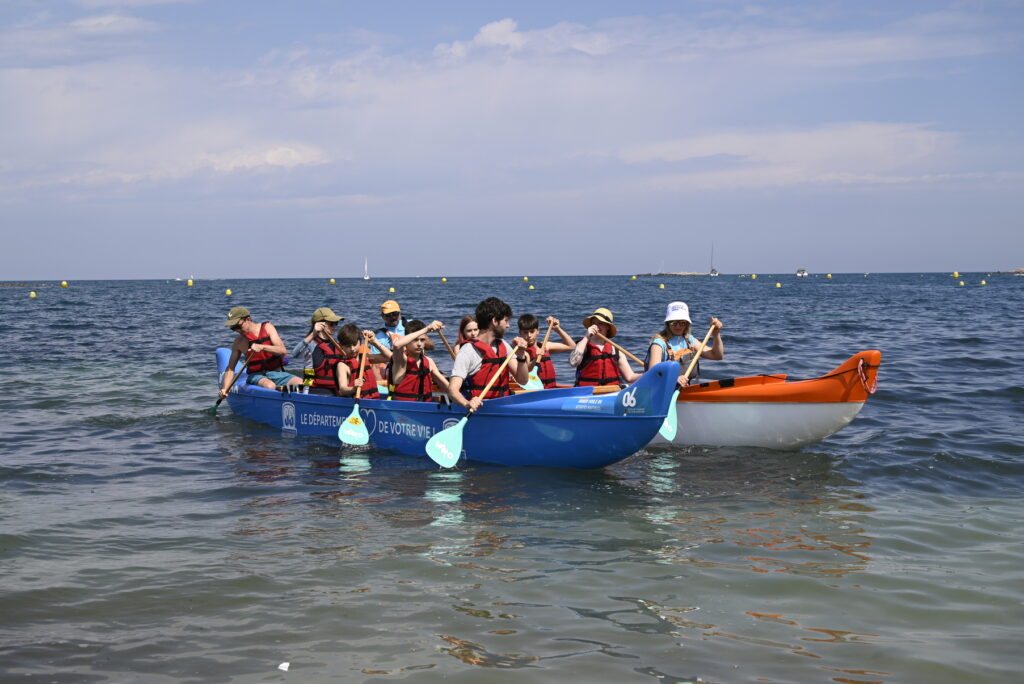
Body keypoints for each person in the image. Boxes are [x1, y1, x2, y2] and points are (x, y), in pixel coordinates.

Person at [447, 297, 530, 413]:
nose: (508, 325)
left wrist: (521, 356)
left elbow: (523, 380)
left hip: (502, 408)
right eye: (506, 320)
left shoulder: (503, 345)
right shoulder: (468, 351)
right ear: (495, 321)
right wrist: (467, 403)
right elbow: (452, 390)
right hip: (479, 411)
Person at [219, 306, 302, 398]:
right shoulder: (238, 342)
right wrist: (225, 389)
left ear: (248, 319)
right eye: (233, 328)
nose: (236, 330)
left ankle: (282, 392)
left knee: (302, 384)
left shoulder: (267, 327)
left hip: (276, 373)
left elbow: (282, 350)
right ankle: (277, 392)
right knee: (270, 386)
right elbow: (230, 368)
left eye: (238, 326)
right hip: (256, 376)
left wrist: (262, 347)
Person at [646, 301, 724, 387]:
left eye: (682, 323)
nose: (678, 326)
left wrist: (716, 334)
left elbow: (717, 355)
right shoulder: (658, 344)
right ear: (667, 324)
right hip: (661, 388)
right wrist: (674, 378)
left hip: (684, 389)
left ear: (687, 324)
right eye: (673, 323)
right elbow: (653, 373)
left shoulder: (689, 340)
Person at [569, 307, 642, 387]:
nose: (596, 326)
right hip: (588, 392)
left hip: (611, 391)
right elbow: (573, 362)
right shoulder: (583, 345)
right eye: (593, 323)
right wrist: (586, 337)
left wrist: (648, 374)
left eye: (600, 323)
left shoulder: (616, 350)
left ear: (608, 327)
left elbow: (630, 377)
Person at [388, 319, 451, 402]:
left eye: (422, 340)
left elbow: (447, 386)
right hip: (403, 407)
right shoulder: (401, 359)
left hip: (426, 406)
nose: (419, 344)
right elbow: (396, 345)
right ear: (407, 340)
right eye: (415, 340)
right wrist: (426, 329)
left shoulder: (429, 362)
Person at [290, 307, 344, 395]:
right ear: (320, 324)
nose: (334, 326)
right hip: (312, 389)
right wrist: (313, 333)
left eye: (336, 323)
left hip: (334, 390)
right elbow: (295, 354)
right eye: (331, 323)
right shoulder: (311, 344)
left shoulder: (336, 345)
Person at [517, 314, 575, 388]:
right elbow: (526, 371)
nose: (529, 335)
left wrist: (557, 329)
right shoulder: (522, 352)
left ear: (538, 331)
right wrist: (536, 359)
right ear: (520, 333)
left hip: (551, 388)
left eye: (532, 331)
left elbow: (572, 346)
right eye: (525, 332)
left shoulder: (545, 346)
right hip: (535, 389)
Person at [336, 323, 391, 398]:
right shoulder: (342, 365)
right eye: (348, 346)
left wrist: (374, 341)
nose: (352, 349)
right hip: (354, 401)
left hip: (372, 400)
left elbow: (390, 357)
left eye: (354, 344)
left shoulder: (366, 358)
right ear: (341, 346)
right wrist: (353, 388)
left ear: (360, 341)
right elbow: (342, 389)